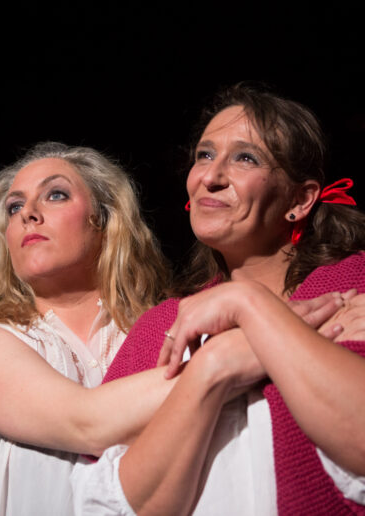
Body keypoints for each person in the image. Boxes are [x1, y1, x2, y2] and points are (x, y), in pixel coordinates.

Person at [72, 83, 365, 515]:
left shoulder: (354, 282)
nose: (210, 176)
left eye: (245, 158)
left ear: (300, 199)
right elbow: (121, 504)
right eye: (204, 155)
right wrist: (214, 367)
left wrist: (248, 303)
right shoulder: (159, 326)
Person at [0, 141, 178, 515]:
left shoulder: (165, 330)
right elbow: (88, 424)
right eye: (14, 207)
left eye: (55, 195)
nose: (28, 214)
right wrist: (221, 362)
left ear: (104, 220)